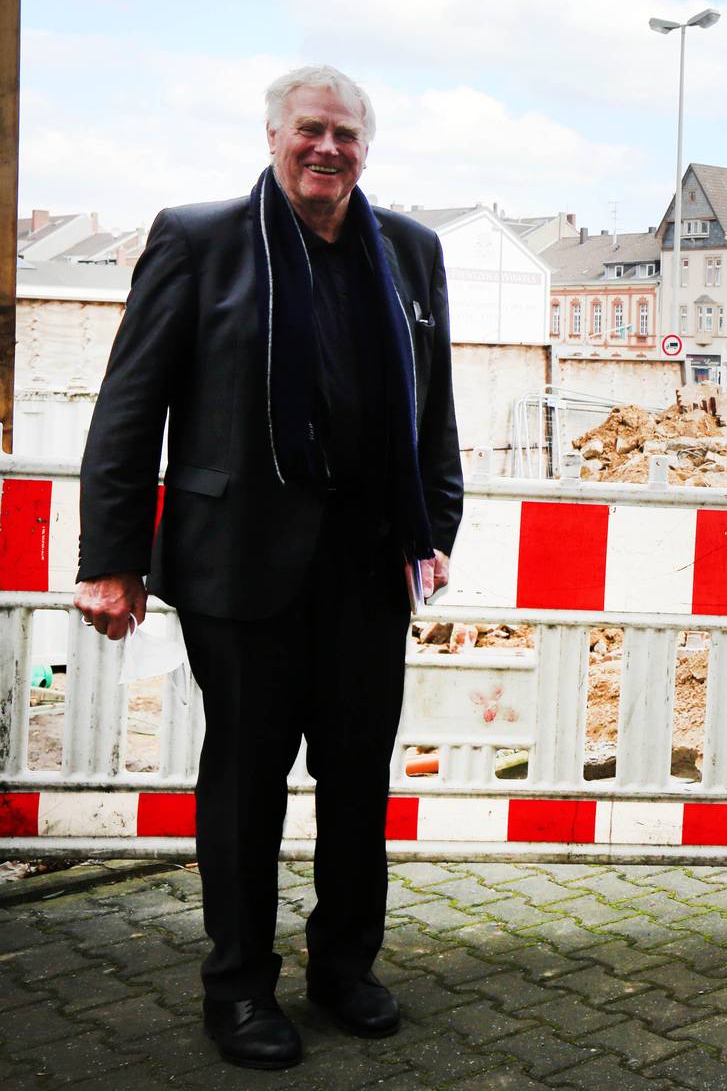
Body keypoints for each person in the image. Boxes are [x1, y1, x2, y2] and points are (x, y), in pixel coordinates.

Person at [73, 65, 464, 1069]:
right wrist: (112, 558)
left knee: (357, 781)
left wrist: (437, 524)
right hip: (240, 562)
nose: (326, 147)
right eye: (308, 130)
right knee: (246, 781)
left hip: (370, 564)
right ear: (273, 134)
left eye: (344, 132)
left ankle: (344, 967)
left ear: (365, 148)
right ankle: (239, 987)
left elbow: (434, 409)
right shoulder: (201, 239)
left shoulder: (409, 252)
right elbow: (130, 405)